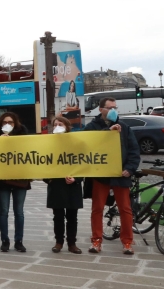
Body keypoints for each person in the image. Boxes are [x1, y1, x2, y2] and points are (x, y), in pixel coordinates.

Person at [83, 97, 141, 254]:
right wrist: (107, 133)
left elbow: (134, 152)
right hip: (101, 175)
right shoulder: (91, 127)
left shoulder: (125, 128)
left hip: (120, 175)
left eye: (115, 107)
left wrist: (129, 169)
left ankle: (127, 242)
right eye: (110, 107)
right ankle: (96, 241)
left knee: (125, 209)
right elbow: (87, 144)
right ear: (101, 110)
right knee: (97, 209)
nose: (113, 110)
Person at [0, 112, 30, 252]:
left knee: (19, 211)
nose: (8, 124)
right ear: (1, 124)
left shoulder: (23, 134)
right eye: (5, 122)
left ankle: (19, 240)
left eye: (11, 122)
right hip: (2, 179)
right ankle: (5, 240)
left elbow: (29, 150)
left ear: (15, 124)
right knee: (4, 210)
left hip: (20, 177)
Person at [46, 116, 83, 254]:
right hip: (56, 185)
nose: (57, 127)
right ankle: (59, 242)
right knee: (58, 216)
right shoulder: (48, 143)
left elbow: (85, 163)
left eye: (60, 124)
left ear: (67, 126)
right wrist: (48, 179)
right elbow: (42, 162)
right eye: (55, 125)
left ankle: (72, 243)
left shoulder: (76, 143)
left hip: (72, 186)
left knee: (72, 217)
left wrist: (76, 179)